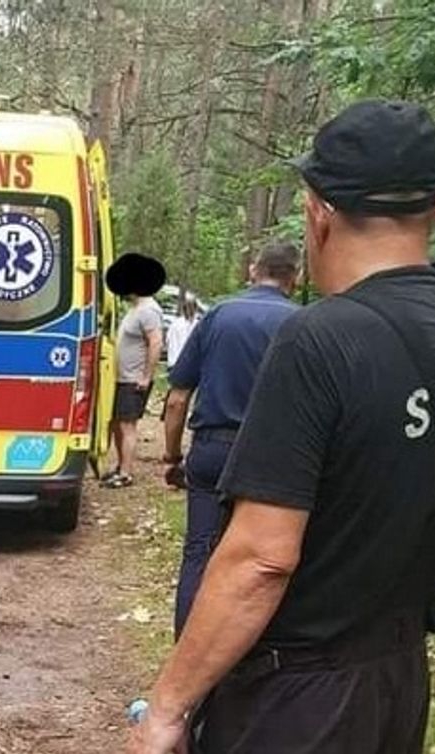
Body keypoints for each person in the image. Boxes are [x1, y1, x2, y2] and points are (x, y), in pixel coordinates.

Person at [131, 99, 435, 754]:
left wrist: (168, 708)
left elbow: (261, 558)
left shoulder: (319, 342)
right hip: (397, 684)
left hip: (298, 703)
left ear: (318, 210)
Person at [161, 242, 300, 638]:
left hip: (212, 450)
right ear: (296, 276)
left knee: (200, 551)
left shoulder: (220, 315)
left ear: (254, 270)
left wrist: (172, 457)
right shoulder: (302, 324)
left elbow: (177, 398)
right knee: (264, 557)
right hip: (271, 457)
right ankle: (248, 651)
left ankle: (187, 650)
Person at [102, 252, 165, 489]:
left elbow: (156, 343)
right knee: (118, 422)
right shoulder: (135, 308)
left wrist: (146, 376)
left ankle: (126, 472)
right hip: (120, 377)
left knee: (128, 425)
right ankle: (120, 466)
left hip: (133, 379)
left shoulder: (149, 310)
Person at [165, 292, 199, 370]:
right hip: (187, 365)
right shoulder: (197, 325)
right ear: (196, 308)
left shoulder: (175, 323)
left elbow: (167, 341)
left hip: (174, 362)